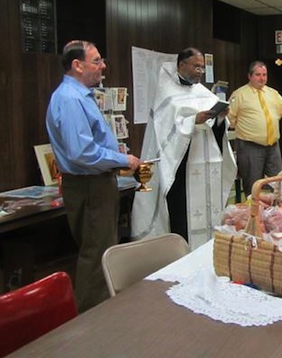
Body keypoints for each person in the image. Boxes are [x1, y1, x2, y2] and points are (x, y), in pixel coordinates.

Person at [46, 40, 141, 312]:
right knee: (96, 254)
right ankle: (91, 318)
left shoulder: (80, 95)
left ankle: (102, 311)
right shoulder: (70, 98)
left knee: (102, 250)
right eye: (97, 60)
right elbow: (82, 152)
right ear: (77, 65)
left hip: (95, 183)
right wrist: (123, 160)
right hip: (89, 185)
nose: (103, 66)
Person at [131, 47, 237, 250]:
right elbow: (165, 131)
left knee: (208, 213)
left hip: (205, 165)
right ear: (181, 65)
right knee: (182, 214)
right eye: (196, 66)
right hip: (180, 168)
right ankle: (181, 253)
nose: (200, 71)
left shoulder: (202, 92)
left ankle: (208, 250)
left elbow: (215, 129)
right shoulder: (166, 94)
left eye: (202, 67)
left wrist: (220, 118)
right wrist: (192, 121)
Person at [229, 61, 282, 198]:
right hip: (250, 146)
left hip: (273, 145)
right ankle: (253, 215)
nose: (262, 78)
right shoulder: (239, 95)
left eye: (264, 75)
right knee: (253, 185)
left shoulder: (272, 93)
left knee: (278, 182)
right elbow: (230, 118)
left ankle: (276, 214)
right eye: (258, 75)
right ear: (250, 76)